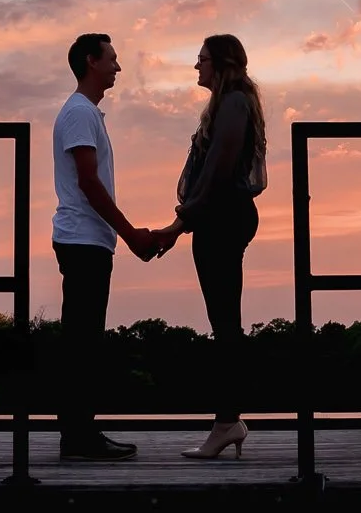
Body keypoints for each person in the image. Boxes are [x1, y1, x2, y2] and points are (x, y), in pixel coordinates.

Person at [151, 34, 266, 460]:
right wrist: (183, 224)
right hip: (219, 217)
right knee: (224, 323)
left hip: (223, 218)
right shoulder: (229, 103)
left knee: (226, 327)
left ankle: (226, 422)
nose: (196, 67)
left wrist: (179, 224)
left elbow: (217, 169)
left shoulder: (234, 102)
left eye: (201, 60)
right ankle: (228, 420)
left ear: (220, 63)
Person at [52, 32, 157, 462]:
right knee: (82, 342)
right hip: (82, 240)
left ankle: (79, 433)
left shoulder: (86, 113)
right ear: (91, 61)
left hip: (89, 240)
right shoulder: (79, 113)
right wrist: (131, 234)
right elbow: (89, 182)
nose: (117, 67)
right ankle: (78, 437)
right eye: (111, 59)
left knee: (84, 340)